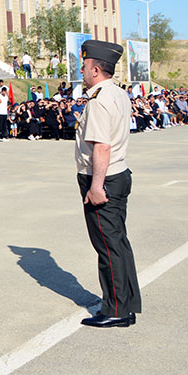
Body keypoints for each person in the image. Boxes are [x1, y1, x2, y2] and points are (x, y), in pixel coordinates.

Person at [75, 40, 140, 328]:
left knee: (108, 246)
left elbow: (102, 146)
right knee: (118, 243)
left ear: (96, 70)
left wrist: (96, 186)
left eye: (85, 66)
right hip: (119, 173)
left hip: (103, 178)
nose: (82, 70)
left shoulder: (99, 100)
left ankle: (115, 310)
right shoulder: (118, 93)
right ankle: (126, 304)